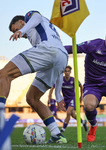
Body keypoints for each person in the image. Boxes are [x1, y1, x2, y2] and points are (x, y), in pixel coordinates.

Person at [0, 10, 68, 143]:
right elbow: (59, 66)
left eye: (15, 29)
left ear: (21, 22)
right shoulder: (45, 33)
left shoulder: (30, 17)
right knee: (32, 98)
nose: (17, 33)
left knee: (4, 74)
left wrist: (22, 29)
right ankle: (57, 134)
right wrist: (58, 94)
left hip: (47, 50)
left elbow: (37, 15)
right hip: (62, 56)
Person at [48, 65, 87, 133]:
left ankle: (63, 129)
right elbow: (52, 88)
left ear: (70, 72)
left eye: (68, 71)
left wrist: (81, 96)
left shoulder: (73, 80)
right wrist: (49, 97)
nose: (67, 72)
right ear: (64, 72)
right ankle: (83, 122)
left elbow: (81, 86)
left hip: (73, 98)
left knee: (68, 112)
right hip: (65, 100)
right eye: (65, 71)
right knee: (73, 115)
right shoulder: (61, 80)